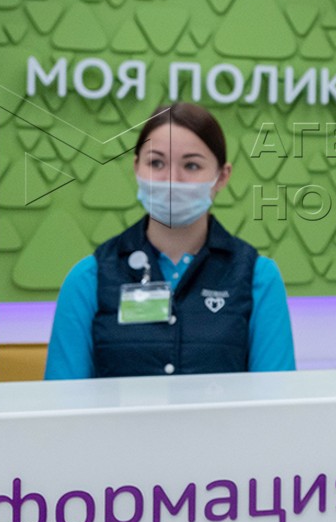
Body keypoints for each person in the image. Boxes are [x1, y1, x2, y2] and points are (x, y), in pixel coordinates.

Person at [45, 103, 295, 378]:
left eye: (191, 165)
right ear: (136, 167)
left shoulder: (258, 277)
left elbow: (275, 397)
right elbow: (64, 398)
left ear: (222, 177)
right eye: (156, 163)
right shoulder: (88, 278)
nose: (172, 180)